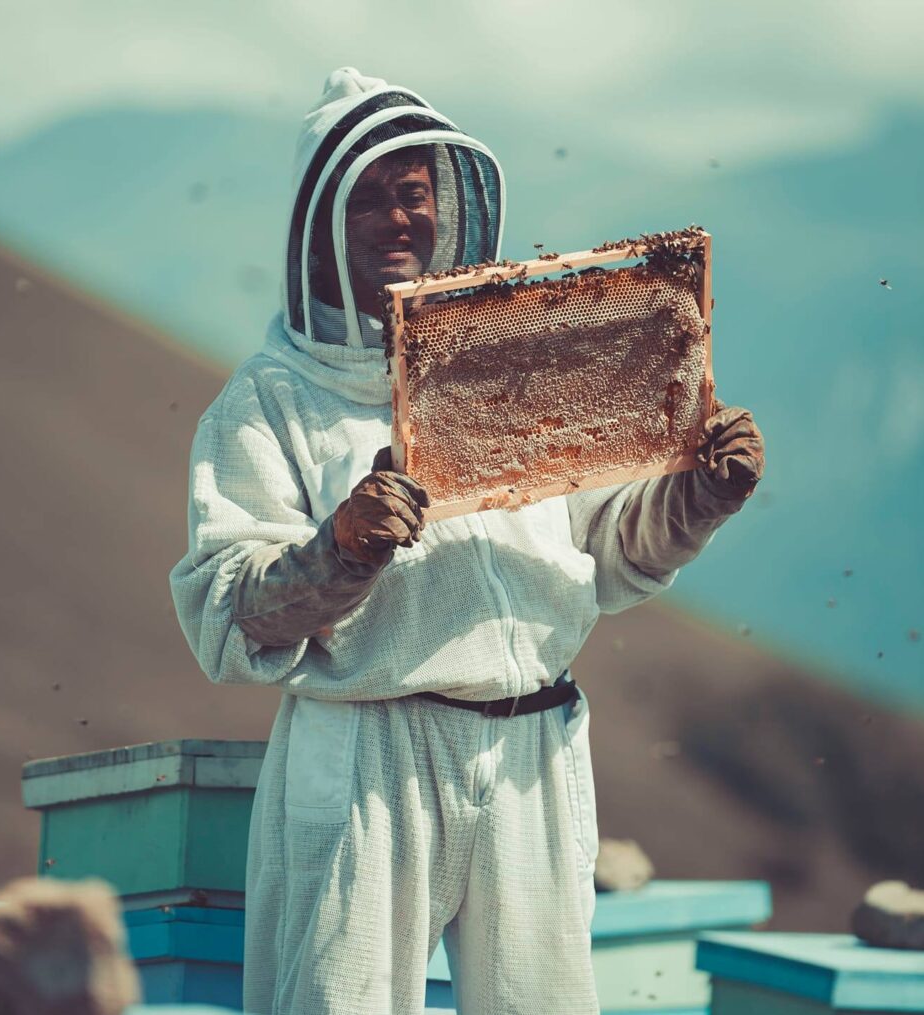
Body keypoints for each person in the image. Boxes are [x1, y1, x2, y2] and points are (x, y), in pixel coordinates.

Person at [169, 67, 765, 1015]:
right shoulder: (270, 400)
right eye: (369, 199)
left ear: (449, 202)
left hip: (535, 743)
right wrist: (339, 552)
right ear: (321, 222)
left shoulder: (511, 364)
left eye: (413, 193)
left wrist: (698, 495)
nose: (398, 218)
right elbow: (228, 610)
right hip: (370, 753)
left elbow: (604, 552)